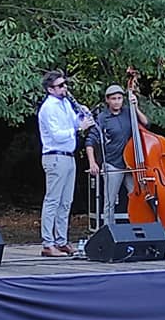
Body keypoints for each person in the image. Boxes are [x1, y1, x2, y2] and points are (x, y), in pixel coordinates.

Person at [38, 70, 95, 257]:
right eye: (60, 86)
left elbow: (74, 122)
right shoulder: (49, 108)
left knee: (66, 201)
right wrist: (78, 127)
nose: (65, 88)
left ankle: (61, 240)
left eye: (65, 84)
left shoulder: (65, 104)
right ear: (50, 89)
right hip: (55, 155)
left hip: (68, 156)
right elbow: (58, 134)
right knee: (53, 200)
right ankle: (48, 243)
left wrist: (83, 115)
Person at [85, 79, 149, 226]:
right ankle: (109, 231)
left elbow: (145, 123)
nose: (117, 102)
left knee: (138, 197)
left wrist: (136, 107)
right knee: (110, 201)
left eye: (119, 98)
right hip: (113, 164)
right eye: (113, 99)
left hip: (132, 164)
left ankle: (141, 227)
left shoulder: (128, 113)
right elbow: (90, 141)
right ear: (108, 100)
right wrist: (92, 162)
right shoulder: (102, 118)